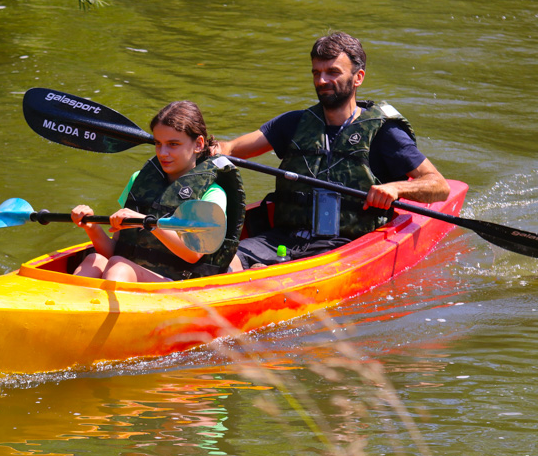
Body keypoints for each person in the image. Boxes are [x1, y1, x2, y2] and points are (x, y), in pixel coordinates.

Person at [216, 32, 450, 270]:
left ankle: (263, 278)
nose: (322, 80)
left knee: (264, 272)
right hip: (281, 239)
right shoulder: (294, 123)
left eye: (332, 72)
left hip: (346, 246)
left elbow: (439, 186)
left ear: (358, 77)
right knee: (221, 263)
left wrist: (396, 188)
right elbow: (231, 149)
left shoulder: (384, 134)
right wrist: (199, 147)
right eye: (317, 73)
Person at [70, 101, 245, 282]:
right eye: (158, 143)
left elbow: (193, 254)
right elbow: (115, 250)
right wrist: (92, 228)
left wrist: (148, 223)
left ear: (198, 144)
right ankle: (69, 308)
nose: (163, 153)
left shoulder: (211, 194)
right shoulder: (138, 180)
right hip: (131, 272)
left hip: (182, 284)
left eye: (173, 144)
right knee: (95, 260)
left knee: (119, 267)